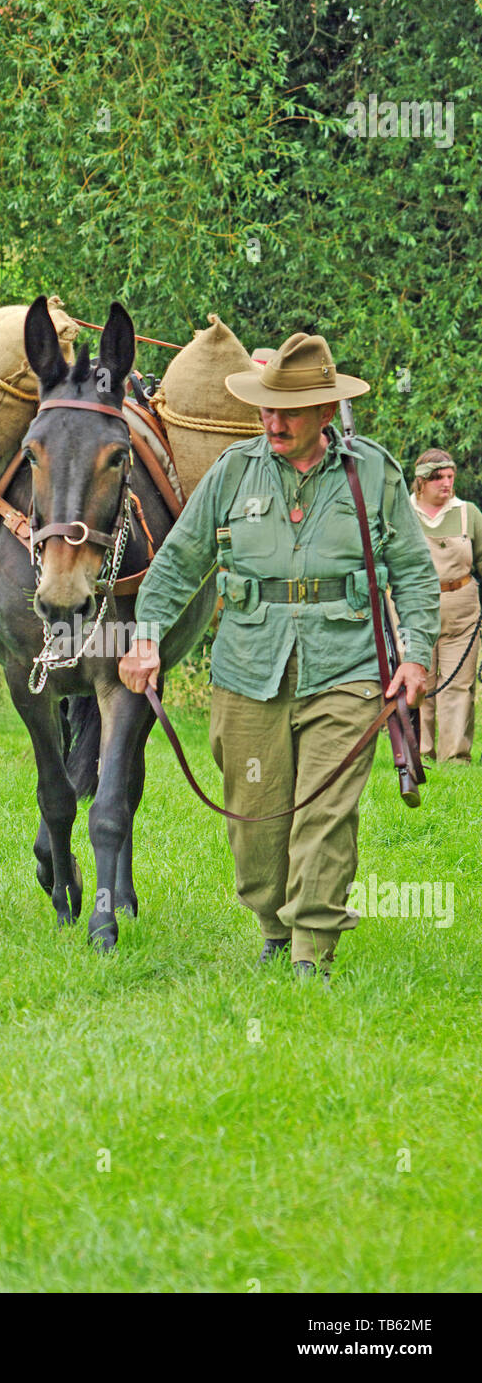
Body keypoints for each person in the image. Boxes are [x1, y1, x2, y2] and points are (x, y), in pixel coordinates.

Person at [118, 333, 440, 980]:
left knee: (324, 811)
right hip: (247, 668)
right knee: (256, 816)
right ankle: (272, 922)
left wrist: (416, 654)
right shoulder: (233, 471)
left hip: (347, 670)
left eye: (288, 411)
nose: (273, 422)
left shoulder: (371, 472)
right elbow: (178, 562)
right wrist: (145, 635)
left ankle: (308, 952)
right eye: (267, 409)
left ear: (325, 413)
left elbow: (412, 572)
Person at [411, 450, 482, 762]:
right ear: (422, 481)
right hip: (413, 606)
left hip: (462, 607)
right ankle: (419, 753)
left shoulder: (468, 513)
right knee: (418, 682)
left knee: (459, 684)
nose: (447, 483)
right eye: (439, 477)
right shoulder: (402, 512)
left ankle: (455, 758)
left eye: (450, 476)